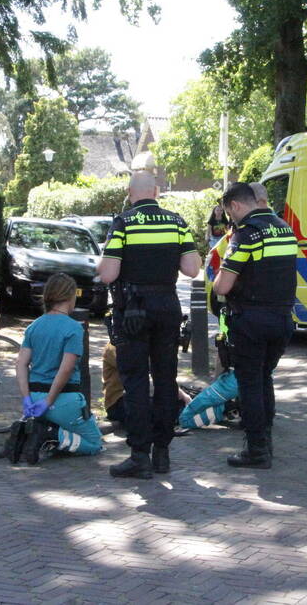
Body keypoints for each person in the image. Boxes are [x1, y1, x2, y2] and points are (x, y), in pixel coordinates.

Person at [98, 171, 201, 479]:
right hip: (167, 308)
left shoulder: (124, 223)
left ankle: (139, 455)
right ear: (156, 192)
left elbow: (107, 275)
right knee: (166, 379)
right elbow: (193, 269)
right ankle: (163, 454)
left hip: (133, 313)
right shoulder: (177, 222)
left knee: (136, 382)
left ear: (131, 193)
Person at [212, 182, 297, 469]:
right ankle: (266, 441)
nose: (229, 219)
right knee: (265, 378)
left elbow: (223, 285)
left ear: (235, 206)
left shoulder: (245, 235)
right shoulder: (285, 228)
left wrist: (216, 283)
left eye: (228, 213)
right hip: (282, 319)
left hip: (252, 321)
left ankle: (256, 450)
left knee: (250, 384)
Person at [11, 273, 103, 464]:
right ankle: (50, 434)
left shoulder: (34, 327)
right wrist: (49, 400)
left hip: (34, 399)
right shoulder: (73, 328)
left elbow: (21, 364)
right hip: (62, 401)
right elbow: (66, 369)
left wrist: (27, 398)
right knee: (94, 443)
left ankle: (36, 433)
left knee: (60, 423)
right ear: (70, 297)